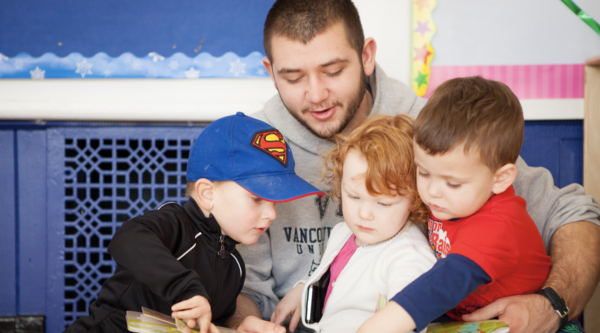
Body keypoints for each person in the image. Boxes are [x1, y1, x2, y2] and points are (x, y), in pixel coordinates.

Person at [231, 1, 600, 332]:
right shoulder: (254, 148)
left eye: (333, 71)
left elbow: (572, 213)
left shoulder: (435, 132)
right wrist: (242, 321)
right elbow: (239, 283)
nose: (316, 94)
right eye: (294, 78)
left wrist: (553, 304)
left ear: (366, 56)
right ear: (270, 70)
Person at [64, 113, 323, 333]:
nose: (272, 214)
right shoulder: (176, 223)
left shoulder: (234, 267)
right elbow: (128, 237)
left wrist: (236, 329)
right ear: (207, 194)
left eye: (274, 202)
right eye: (257, 198)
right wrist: (185, 289)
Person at [356, 76, 578, 332]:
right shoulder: (451, 200)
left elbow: (446, 281)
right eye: (424, 172)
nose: (432, 193)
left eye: (453, 183)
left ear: (500, 179)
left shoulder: (499, 224)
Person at [273, 114, 437, 333]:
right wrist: (303, 290)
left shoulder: (409, 254)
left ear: (414, 198)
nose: (364, 213)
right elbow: (334, 277)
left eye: (383, 203)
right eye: (354, 197)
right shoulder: (343, 232)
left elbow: (411, 313)